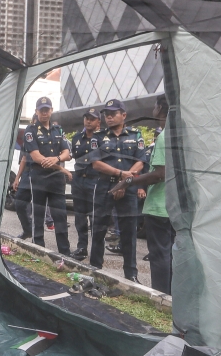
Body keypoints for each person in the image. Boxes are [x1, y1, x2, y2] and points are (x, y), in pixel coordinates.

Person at [109, 95, 174, 293]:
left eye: (155, 106)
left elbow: (160, 174)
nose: (153, 109)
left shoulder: (164, 136)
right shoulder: (177, 134)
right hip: (173, 206)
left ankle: (161, 296)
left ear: (161, 108)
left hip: (159, 208)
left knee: (159, 255)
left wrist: (128, 181)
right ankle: (171, 296)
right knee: (170, 254)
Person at [89, 98, 147, 278]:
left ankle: (131, 275)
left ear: (124, 115)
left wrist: (124, 181)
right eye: (106, 114)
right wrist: (120, 174)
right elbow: (95, 163)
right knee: (98, 229)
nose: (109, 117)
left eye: (113, 114)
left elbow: (141, 161)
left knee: (129, 232)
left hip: (128, 189)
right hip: (105, 187)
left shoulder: (135, 135)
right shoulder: (98, 137)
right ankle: (95, 270)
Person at [22, 97, 72, 254]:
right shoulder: (30, 131)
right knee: (38, 216)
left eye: (47, 109)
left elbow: (67, 153)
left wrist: (57, 159)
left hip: (56, 180)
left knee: (60, 216)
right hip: (39, 178)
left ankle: (65, 252)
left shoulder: (58, 130)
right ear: (36, 112)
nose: (44, 113)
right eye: (41, 110)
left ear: (51, 111)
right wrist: (61, 167)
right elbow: (37, 157)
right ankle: (38, 250)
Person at [69, 107, 100, 261]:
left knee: (95, 217)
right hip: (79, 180)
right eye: (86, 118)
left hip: (95, 181)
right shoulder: (77, 138)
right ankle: (82, 248)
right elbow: (75, 156)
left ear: (98, 122)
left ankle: (96, 249)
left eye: (92, 118)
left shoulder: (102, 138)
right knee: (80, 216)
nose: (88, 121)